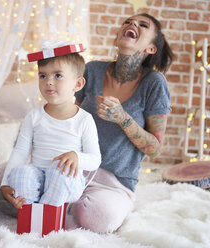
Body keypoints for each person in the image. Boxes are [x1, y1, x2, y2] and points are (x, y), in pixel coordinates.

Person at [67, 13, 174, 233]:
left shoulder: (154, 83)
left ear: (151, 48)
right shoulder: (92, 70)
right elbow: (71, 120)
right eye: (128, 22)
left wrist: (122, 118)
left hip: (114, 183)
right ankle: (64, 207)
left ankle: (62, 209)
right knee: (4, 175)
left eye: (143, 25)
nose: (133, 24)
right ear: (118, 38)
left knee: (97, 216)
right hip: (75, 167)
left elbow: (154, 148)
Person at [0, 44, 101, 209]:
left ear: (78, 84)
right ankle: (29, 212)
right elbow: (20, 152)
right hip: (38, 176)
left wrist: (77, 156)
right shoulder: (34, 116)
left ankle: (47, 214)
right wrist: (5, 183)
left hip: (67, 179)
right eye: (43, 76)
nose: (48, 82)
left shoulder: (84, 119)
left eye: (58, 75)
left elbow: (95, 160)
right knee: (21, 173)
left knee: (59, 171)